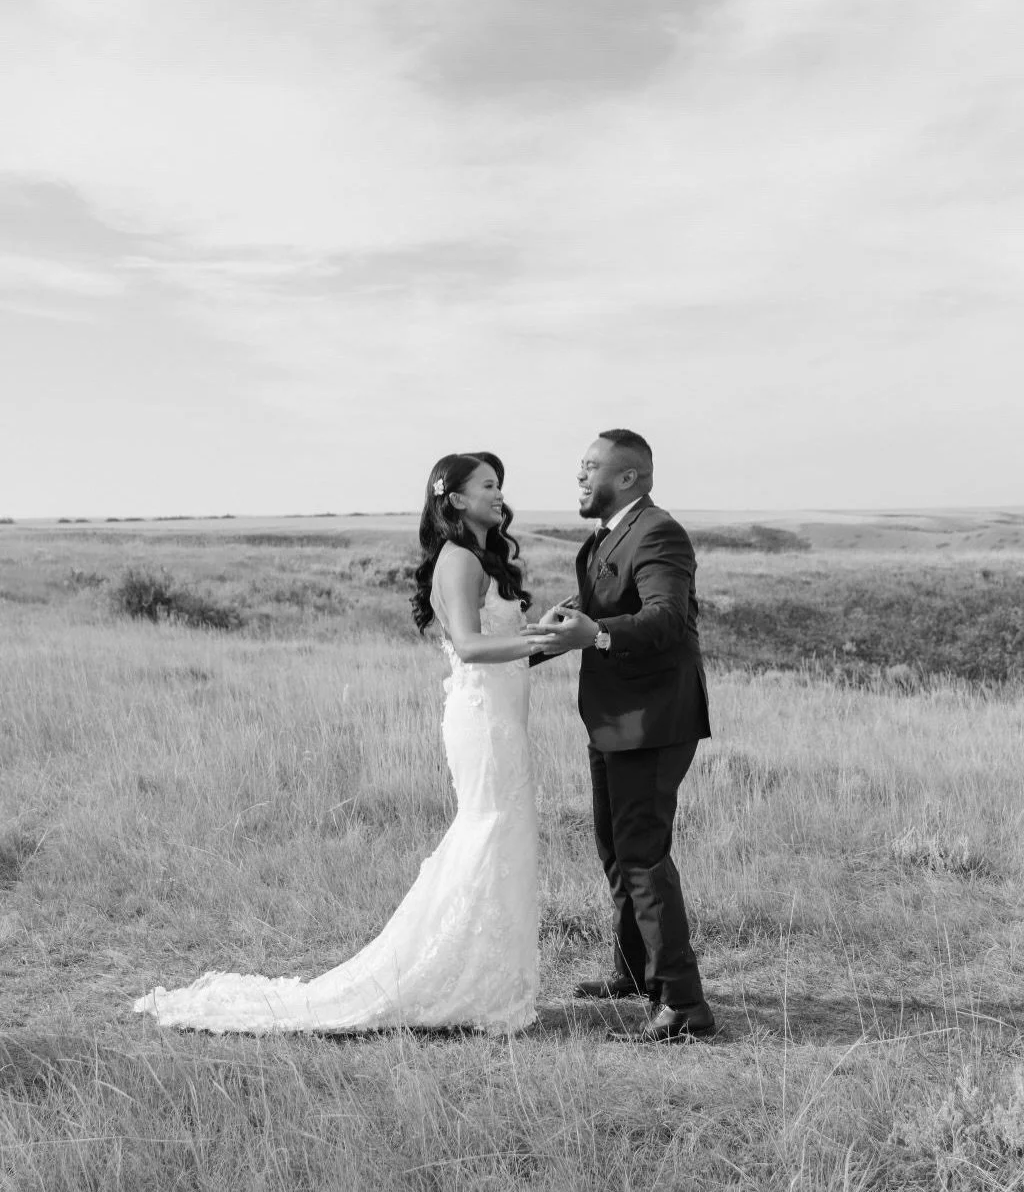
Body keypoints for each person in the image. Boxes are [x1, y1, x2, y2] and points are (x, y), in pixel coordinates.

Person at [133, 452, 553, 1035]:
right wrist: (539, 640)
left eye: (500, 484)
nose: (498, 493)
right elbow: (471, 646)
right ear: (453, 499)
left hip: (502, 714)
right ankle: (451, 976)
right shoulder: (458, 561)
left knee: (503, 833)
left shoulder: (483, 559)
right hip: (482, 718)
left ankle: (485, 978)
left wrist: (548, 634)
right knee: (489, 828)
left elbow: (500, 642)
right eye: (487, 485)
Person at [531, 429, 715, 1043]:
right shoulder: (608, 536)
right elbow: (591, 616)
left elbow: (663, 619)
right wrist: (506, 655)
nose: (579, 477)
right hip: (612, 721)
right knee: (615, 849)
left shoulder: (660, 532)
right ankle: (636, 975)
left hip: (654, 723)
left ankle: (685, 1006)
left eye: (590, 467)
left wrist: (598, 633)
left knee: (643, 856)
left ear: (629, 477)